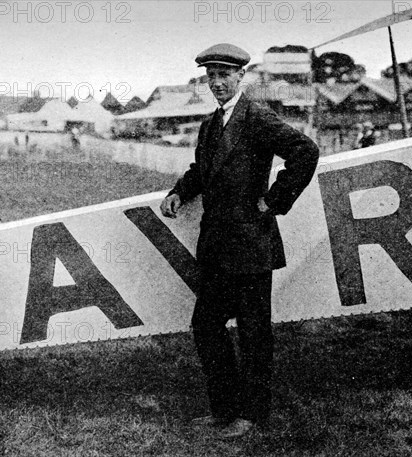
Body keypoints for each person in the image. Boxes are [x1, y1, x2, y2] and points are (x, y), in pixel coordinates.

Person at [160, 43, 319, 439]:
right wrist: (180, 190)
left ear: (240, 77)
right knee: (206, 326)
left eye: (224, 76)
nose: (216, 83)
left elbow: (305, 151)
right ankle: (224, 409)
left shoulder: (258, 117)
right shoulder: (211, 124)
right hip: (217, 246)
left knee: (253, 334)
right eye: (210, 77)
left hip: (251, 245)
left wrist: (274, 200)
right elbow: (203, 169)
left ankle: (251, 415)